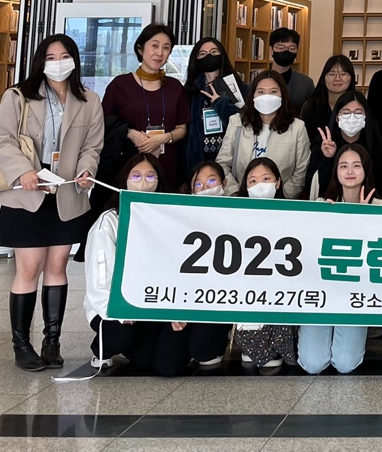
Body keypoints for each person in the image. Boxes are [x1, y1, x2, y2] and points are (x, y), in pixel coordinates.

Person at [0, 34, 103, 370]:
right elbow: (2, 138)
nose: (58, 63)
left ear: (75, 60)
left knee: (57, 267)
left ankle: (52, 342)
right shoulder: (18, 96)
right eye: (50, 57)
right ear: (40, 62)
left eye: (64, 56)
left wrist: (86, 170)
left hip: (66, 193)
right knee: (28, 268)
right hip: (28, 193)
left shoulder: (89, 100)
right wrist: (23, 171)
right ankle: (22, 346)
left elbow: (92, 146)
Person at [83, 154, 190, 376]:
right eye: (136, 176)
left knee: (166, 365)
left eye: (151, 176)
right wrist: (120, 310)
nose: (144, 182)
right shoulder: (109, 221)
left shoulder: (171, 219)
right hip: (115, 305)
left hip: (155, 303)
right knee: (120, 336)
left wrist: (177, 308)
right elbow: (100, 278)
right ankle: (102, 348)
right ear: (125, 180)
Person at [299, 144, 382, 375]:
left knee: (345, 364)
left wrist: (365, 219)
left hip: (355, 297)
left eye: (356, 166)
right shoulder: (321, 205)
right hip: (320, 294)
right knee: (312, 364)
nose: (350, 171)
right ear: (335, 171)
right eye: (343, 166)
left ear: (366, 169)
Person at [101, 22, 189, 192]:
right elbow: (104, 122)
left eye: (166, 48)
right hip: (129, 167)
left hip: (166, 167)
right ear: (140, 49)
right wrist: (129, 133)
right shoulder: (120, 85)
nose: (160, 52)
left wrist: (163, 138)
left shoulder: (175, 87)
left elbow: (182, 129)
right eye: (154, 46)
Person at [233, 158, 298, 371]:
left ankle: (273, 347)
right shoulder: (234, 216)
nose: (259, 185)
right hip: (247, 290)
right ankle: (254, 345)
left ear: (277, 182)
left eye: (266, 179)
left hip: (283, 290)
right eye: (252, 181)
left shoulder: (295, 214)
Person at [217, 71, 312, 198]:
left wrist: (282, 196)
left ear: (282, 95)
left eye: (273, 91)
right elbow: (222, 163)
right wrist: (235, 193)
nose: (267, 97)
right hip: (241, 197)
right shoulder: (237, 122)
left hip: (281, 200)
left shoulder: (297, 127)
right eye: (261, 92)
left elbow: (301, 171)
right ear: (253, 95)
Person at [183, 161, 233, 367]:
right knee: (167, 361)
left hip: (224, 295)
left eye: (212, 181)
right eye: (198, 184)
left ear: (224, 183)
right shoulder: (180, 217)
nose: (205, 188)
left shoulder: (239, 213)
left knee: (203, 351)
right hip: (188, 295)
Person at [307, 90, 382, 200]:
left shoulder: (377, 145)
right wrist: (328, 159)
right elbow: (315, 185)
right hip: (331, 204)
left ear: (366, 116)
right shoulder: (324, 143)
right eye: (346, 113)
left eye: (358, 113)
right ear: (337, 118)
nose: (352, 118)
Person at [182, 36, 244, 179]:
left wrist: (220, 103)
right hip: (198, 163)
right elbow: (186, 137)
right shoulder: (190, 93)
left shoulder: (240, 88)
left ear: (222, 56)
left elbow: (244, 125)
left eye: (214, 52)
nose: (209, 56)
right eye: (203, 54)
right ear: (196, 60)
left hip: (231, 161)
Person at [299, 54, 357, 136]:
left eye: (343, 74)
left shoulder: (359, 106)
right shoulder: (311, 106)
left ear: (352, 78)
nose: (337, 78)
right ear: (323, 78)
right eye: (332, 74)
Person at [267, 26, 316, 115]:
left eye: (292, 48)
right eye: (281, 48)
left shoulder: (306, 84)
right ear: (271, 50)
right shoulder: (258, 82)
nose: (286, 51)